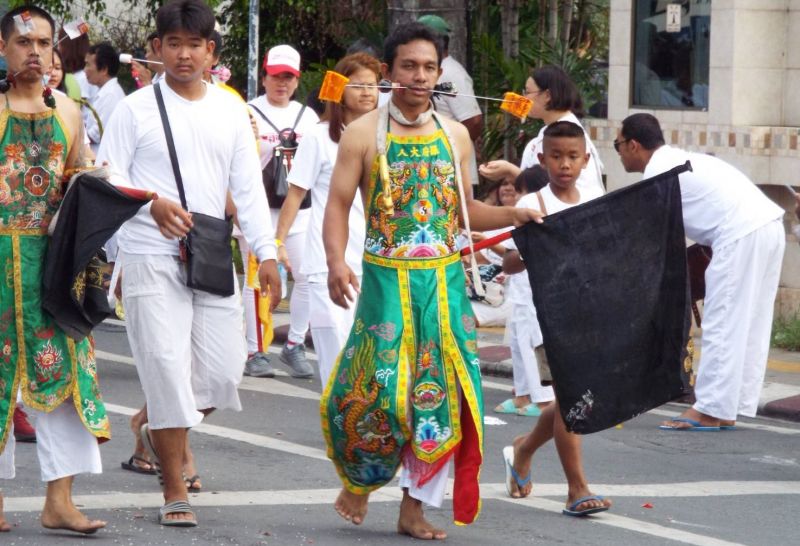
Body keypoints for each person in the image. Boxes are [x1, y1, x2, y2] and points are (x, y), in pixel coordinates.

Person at [321, 23, 542, 539]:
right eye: (408, 67)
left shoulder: (455, 134)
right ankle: (359, 480)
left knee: (438, 396)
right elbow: (336, 205)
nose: (418, 77)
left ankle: (414, 505)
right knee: (373, 390)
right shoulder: (361, 134)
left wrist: (516, 217)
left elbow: (467, 213)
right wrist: (336, 261)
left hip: (443, 289)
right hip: (385, 285)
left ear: (439, 74)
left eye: (428, 68)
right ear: (388, 71)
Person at [96, 0, 280, 526]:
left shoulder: (228, 109)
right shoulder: (134, 109)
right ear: (156, 49)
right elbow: (108, 177)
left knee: (223, 372)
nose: (183, 54)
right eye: (172, 43)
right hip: (150, 253)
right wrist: (150, 204)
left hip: (211, 250)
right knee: (165, 366)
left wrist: (266, 252)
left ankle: (156, 424)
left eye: (194, 44)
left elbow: (247, 188)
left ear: (210, 52)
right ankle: (174, 488)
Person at [0, 5, 109, 535]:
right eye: (24, 43)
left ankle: (59, 501)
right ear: (4, 49)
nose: (36, 52)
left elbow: (79, 178)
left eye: (44, 43)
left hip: (50, 266)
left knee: (64, 375)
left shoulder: (67, 112)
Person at [615, 113, 786, 431]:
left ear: (634, 145)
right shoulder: (681, 161)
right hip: (769, 228)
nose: (619, 152)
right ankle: (728, 406)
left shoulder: (658, 173)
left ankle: (708, 409)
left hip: (740, 234)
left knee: (723, 322)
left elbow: (652, 240)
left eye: (618, 145)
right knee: (749, 324)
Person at [501, 121, 611, 517]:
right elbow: (510, 263)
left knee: (571, 399)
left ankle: (523, 449)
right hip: (551, 316)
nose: (565, 164)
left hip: (591, 312)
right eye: (557, 156)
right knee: (571, 401)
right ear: (541, 158)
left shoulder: (595, 198)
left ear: (585, 160)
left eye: (573, 157)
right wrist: (538, 247)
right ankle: (576, 489)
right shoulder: (534, 205)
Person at [275, 52, 380, 386]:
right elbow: (296, 194)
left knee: (372, 354)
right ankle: (342, 430)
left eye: (373, 85)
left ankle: (366, 430)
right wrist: (278, 243)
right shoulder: (319, 138)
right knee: (336, 354)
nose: (366, 92)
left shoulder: (386, 138)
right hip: (327, 265)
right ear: (339, 90)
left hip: (375, 262)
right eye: (358, 85)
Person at [245, 44, 319, 379]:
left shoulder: (309, 116)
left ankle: (294, 344)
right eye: (275, 76)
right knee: (255, 281)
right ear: (264, 76)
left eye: (288, 77)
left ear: (297, 80)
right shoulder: (247, 112)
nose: (282, 83)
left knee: (307, 275)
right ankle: (255, 350)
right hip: (258, 207)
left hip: (300, 209)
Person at [479, 65, 604, 196]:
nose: (523, 98)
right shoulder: (548, 130)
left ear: (547, 95)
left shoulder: (567, 133)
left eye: (527, 92)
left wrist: (510, 171)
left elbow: (555, 185)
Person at [493, 165, 555, 414]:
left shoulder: (536, 208)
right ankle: (523, 394)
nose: (518, 197)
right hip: (519, 291)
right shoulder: (523, 210)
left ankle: (544, 399)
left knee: (534, 344)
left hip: (535, 291)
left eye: (521, 191)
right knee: (518, 344)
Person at [416, 14, 483, 143]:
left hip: (449, 159)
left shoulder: (451, 73)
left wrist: (453, 150)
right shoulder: (428, 70)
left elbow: (473, 121)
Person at [83, 41, 125, 153]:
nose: (84, 70)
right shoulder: (104, 92)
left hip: (103, 161)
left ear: (104, 69)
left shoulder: (111, 95)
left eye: (88, 64)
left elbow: (96, 134)